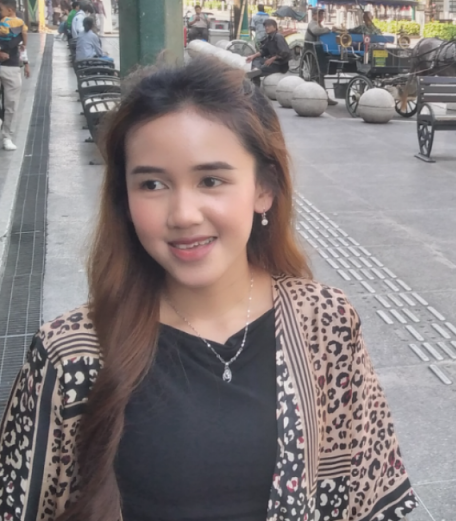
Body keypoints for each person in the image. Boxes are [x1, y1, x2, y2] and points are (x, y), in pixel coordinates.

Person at [0, 58, 417, 520]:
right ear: (125, 198)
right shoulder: (71, 354)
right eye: (152, 184)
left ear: (263, 189)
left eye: (211, 180)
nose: (183, 214)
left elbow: (367, 494)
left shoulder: (325, 323)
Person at [0, 0, 26, 152]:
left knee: (11, 104)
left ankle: (7, 137)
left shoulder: (19, 21)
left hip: (12, 66)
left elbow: (18, 42)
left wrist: (26, 63)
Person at [245, 18, 290, 83]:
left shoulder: (278, 36)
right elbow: (263, 51)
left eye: (269, 26)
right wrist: (252, 56)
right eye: (265, 26)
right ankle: (256, 71)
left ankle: (256, 77)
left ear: (274, 27)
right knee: (255, 60)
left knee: (256, 73)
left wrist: (272, 59)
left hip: (279, 65)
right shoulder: (269, 38)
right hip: (272, 62)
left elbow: (285, 52)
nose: (266, 28)